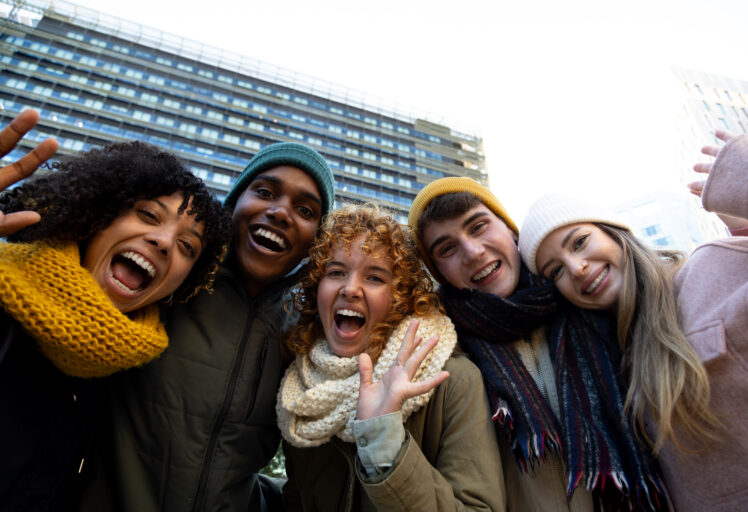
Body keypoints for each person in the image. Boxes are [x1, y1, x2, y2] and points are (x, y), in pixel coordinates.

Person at [518, 130, 748, 511]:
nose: (577, 267)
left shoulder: (712, 267)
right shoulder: (611, 361)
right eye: (555, 270)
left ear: (616, 235)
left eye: (580, 241)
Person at [81, 141, 336, 511]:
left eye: (305, 210)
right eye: (264, 192)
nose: (281, 212)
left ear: (315, 243)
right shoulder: (166, 283)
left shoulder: (306, 335)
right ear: (232, 205)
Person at [0, 109, 230, 511]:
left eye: (187, 247)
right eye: (149, 215)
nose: (162, 242)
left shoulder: (120, 372)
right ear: (100, 212)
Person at [408, 178, 666, 511]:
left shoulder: (591, 301)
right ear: (440, 274)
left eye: (478, 227)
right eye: (447, 249)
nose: (473, 252)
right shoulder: (441, 357)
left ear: (510, 229)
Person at [277, 205, 505, 511]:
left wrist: (384, 442)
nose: (350, 289)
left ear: (400, 298)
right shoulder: (302, 392)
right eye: (335, 272)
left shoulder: (453, 380)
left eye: (374, 277)